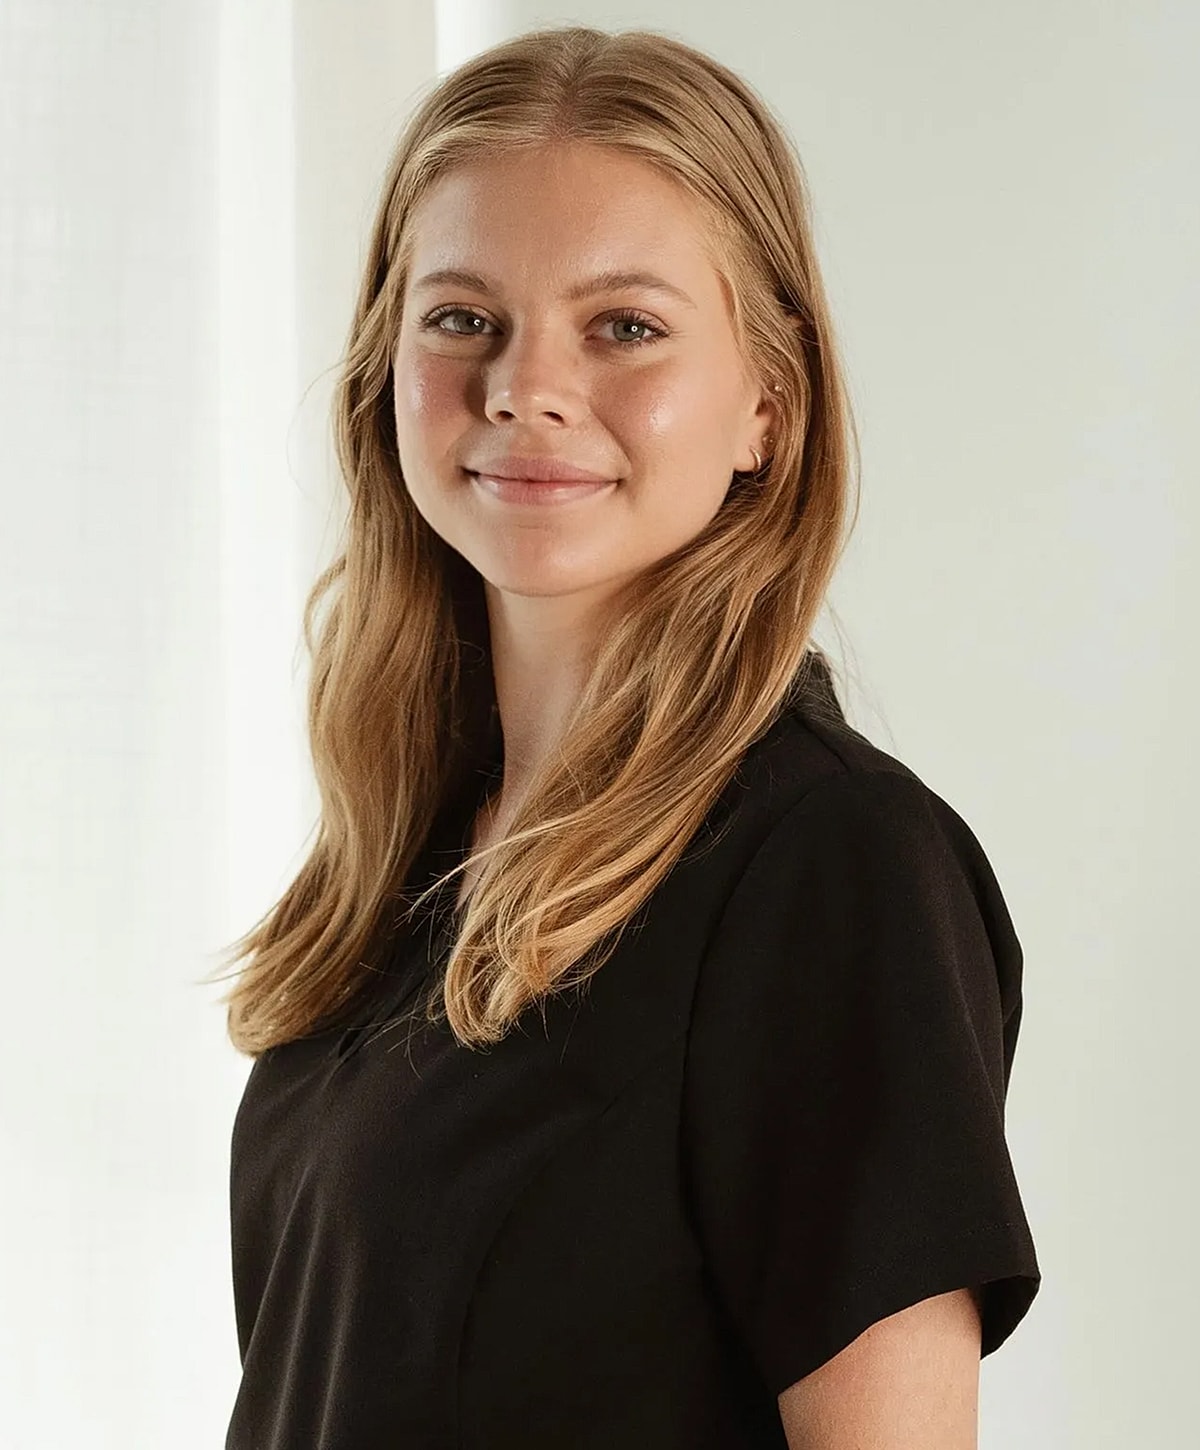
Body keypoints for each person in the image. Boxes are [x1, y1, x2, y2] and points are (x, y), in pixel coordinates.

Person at [214, 25, 1041, 1449]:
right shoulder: (410, 857)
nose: (526, 385)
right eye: (462, 316)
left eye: (625, 326)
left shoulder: (830, 868)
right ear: (385, 365)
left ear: (766, 403)